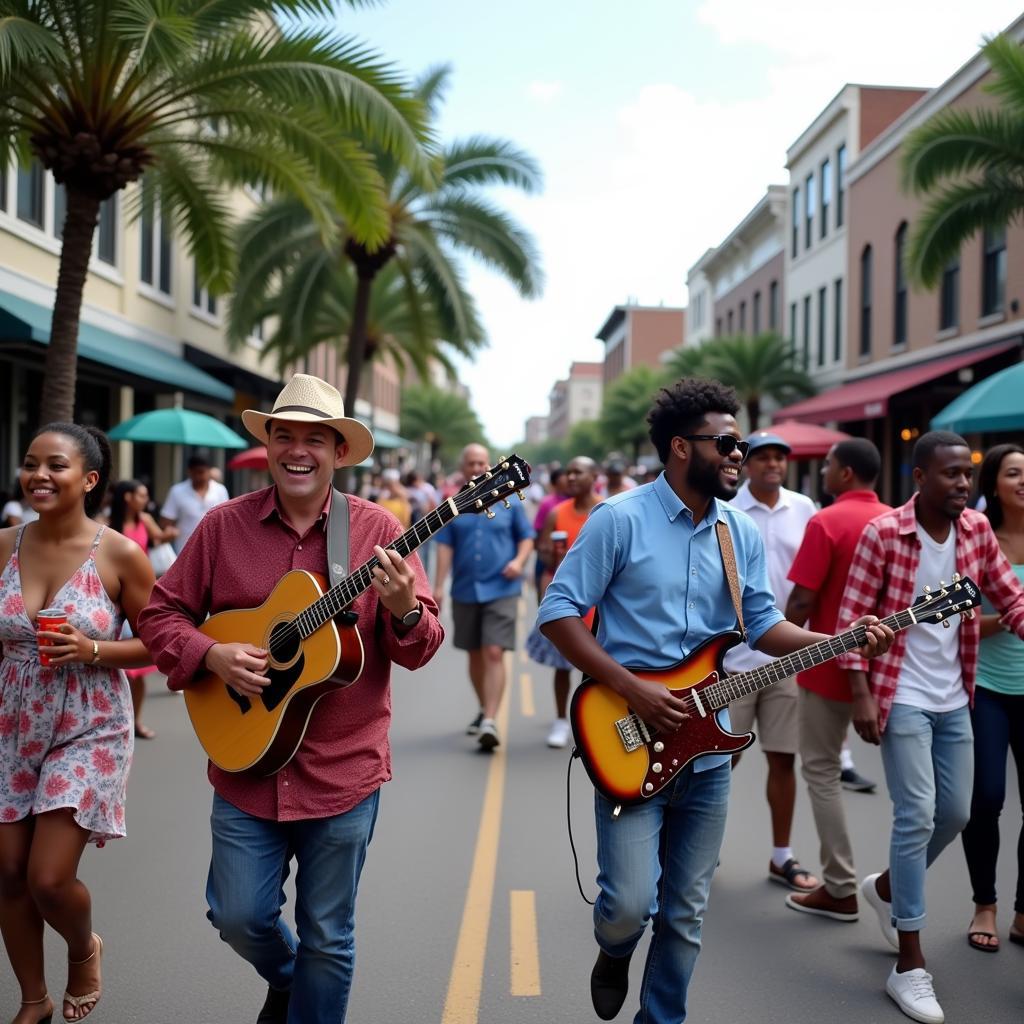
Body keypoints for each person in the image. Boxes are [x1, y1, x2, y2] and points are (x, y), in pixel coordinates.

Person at [537, 378, 892, 1024]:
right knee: (626, 907)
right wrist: (631, 688)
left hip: (708, 751)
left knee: (687, 911)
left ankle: (660, 1018)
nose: (740, 455)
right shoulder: (619, 520)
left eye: (743, 444)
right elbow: (557, 613)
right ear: (680, 448)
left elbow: (763, 626)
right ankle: (614, 950)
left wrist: (839, 640)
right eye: (727, 443)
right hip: (625, 733)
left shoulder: (739, 534)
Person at [137, 373, 443, 1024]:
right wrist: (211, 654)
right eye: (284, 435)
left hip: (343, 772)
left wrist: (403, 609)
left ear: (338, 453)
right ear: (269, 445)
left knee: (330, 938)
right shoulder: (222, 527)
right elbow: (161, 615)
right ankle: (288, 977)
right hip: (246, 767)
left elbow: (421, 647)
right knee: (237, 915)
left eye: (314, 439)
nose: (297, 450)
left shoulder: (377, 529)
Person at [838, 430, 1024, 1024]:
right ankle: (910, 965)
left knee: (958, 813)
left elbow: (1010, 597)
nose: (963, 485)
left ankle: (888, 887)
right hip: (901, 694)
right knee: (916, 812)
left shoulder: (975, 533)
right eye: (950, 475)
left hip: (955, 696)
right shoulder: (883, 534)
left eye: (967, 476)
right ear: (919, 478)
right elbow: (850, 624)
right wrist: (862, 695)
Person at [0, 423, 156, 1024]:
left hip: (89, 723)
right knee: (8, 872)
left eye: (56, 465)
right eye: (31, 463)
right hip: (12, 722)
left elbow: (160, 642)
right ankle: (33, 1000)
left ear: (89, 479)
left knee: (47, 876)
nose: (39, 474)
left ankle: (83, 946)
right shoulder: (5, 545)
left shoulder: (118, 553)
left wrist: (92, 650)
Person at [783, 438, 891, 923]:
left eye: (827, 465)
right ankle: (899, 895)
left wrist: (779, 639)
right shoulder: (895, 521)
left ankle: (842, 885)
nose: (823, 471)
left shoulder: (826, 520)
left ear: (845, 473)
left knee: (822, 771)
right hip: (889, 669)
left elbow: (802, 602)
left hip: (827, 668)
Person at [725, 431, 820, 893]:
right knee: (719, 762)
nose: (772, 464)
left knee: (783, 759)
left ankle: (781, 855)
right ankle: (695, 848)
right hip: (731, 661)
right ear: (746, 464)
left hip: (786, 659)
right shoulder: (727, 511)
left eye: (779, 457)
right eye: (762, 457)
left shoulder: (804, 508)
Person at [961, 443, 1024, 952]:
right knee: (986, 799)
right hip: (986, 687)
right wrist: (998, 621)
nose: (1023, 480)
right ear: (995, 485)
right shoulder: (978, 541)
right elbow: (954, 620)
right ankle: (986, 903)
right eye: (1014, 473)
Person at [433, 443, 534, 751]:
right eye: (471, 463)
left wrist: (518, 562)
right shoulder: (450, 504)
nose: (477, 468)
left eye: (481, 462)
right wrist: (438, 587)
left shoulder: (509, 500)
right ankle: (483, 707)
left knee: (493, 651)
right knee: (475, 653)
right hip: (464, 588)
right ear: (463, 467)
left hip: (501, 588)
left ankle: (490, 718)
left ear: (490, 465)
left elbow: (526, 537)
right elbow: (445, 546)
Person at [526, 457, 601, 748]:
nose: (570, 478)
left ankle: (592, 724)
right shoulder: (557, 513)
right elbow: (542, 552)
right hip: (568, 604)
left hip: (601, 606)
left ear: (594, 476)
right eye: (568, 473)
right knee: (562, 666)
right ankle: (560, 721)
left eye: (577, 472)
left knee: (597, 670)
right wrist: (550, 553)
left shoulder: (608, 511)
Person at [108, 480, 179, 739]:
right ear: (127, 497)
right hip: (115, 599)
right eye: (141, 494)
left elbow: (158, 537)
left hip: (141, 596)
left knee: (138, 672)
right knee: (121, 669)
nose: (145, 499)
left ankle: (134, 721)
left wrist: (169, 534)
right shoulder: (108, 525)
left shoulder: (145, 519)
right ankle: (116, 723)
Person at [159, 449, 229, 553]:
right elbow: (166, 521)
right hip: (185, 550)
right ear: (189, 472)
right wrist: (170, 531)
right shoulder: (177, 491)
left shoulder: (220, 490)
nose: (198, 476)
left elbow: (226, 520)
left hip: (214, 549)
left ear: (209, 471)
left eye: (201, 472)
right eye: (195, 472)